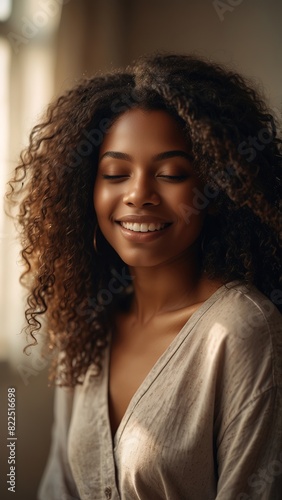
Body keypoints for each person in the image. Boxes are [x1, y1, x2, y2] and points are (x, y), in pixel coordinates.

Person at [6, 53, 282, 499]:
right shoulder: (88, 320)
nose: (139, 195)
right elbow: (59, 485)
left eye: (172, 173)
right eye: (115, 173)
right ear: (86, 188)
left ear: (215, 190)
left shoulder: (242, 330)